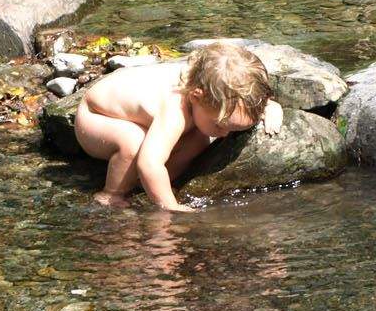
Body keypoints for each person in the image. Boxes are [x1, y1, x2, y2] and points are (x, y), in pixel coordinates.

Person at [74, 43, 280, 212]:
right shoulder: (175, 108)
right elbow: (150, 163)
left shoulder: (217, 98)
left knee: (200, 138)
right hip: (95, 117)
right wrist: (170, 206)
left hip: (138, 118)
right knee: (134, 142)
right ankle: (111, 194)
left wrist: (267, 107)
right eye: (220, 126)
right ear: (195, 96)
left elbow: (246, 100)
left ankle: (154, 184)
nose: (225, 134)